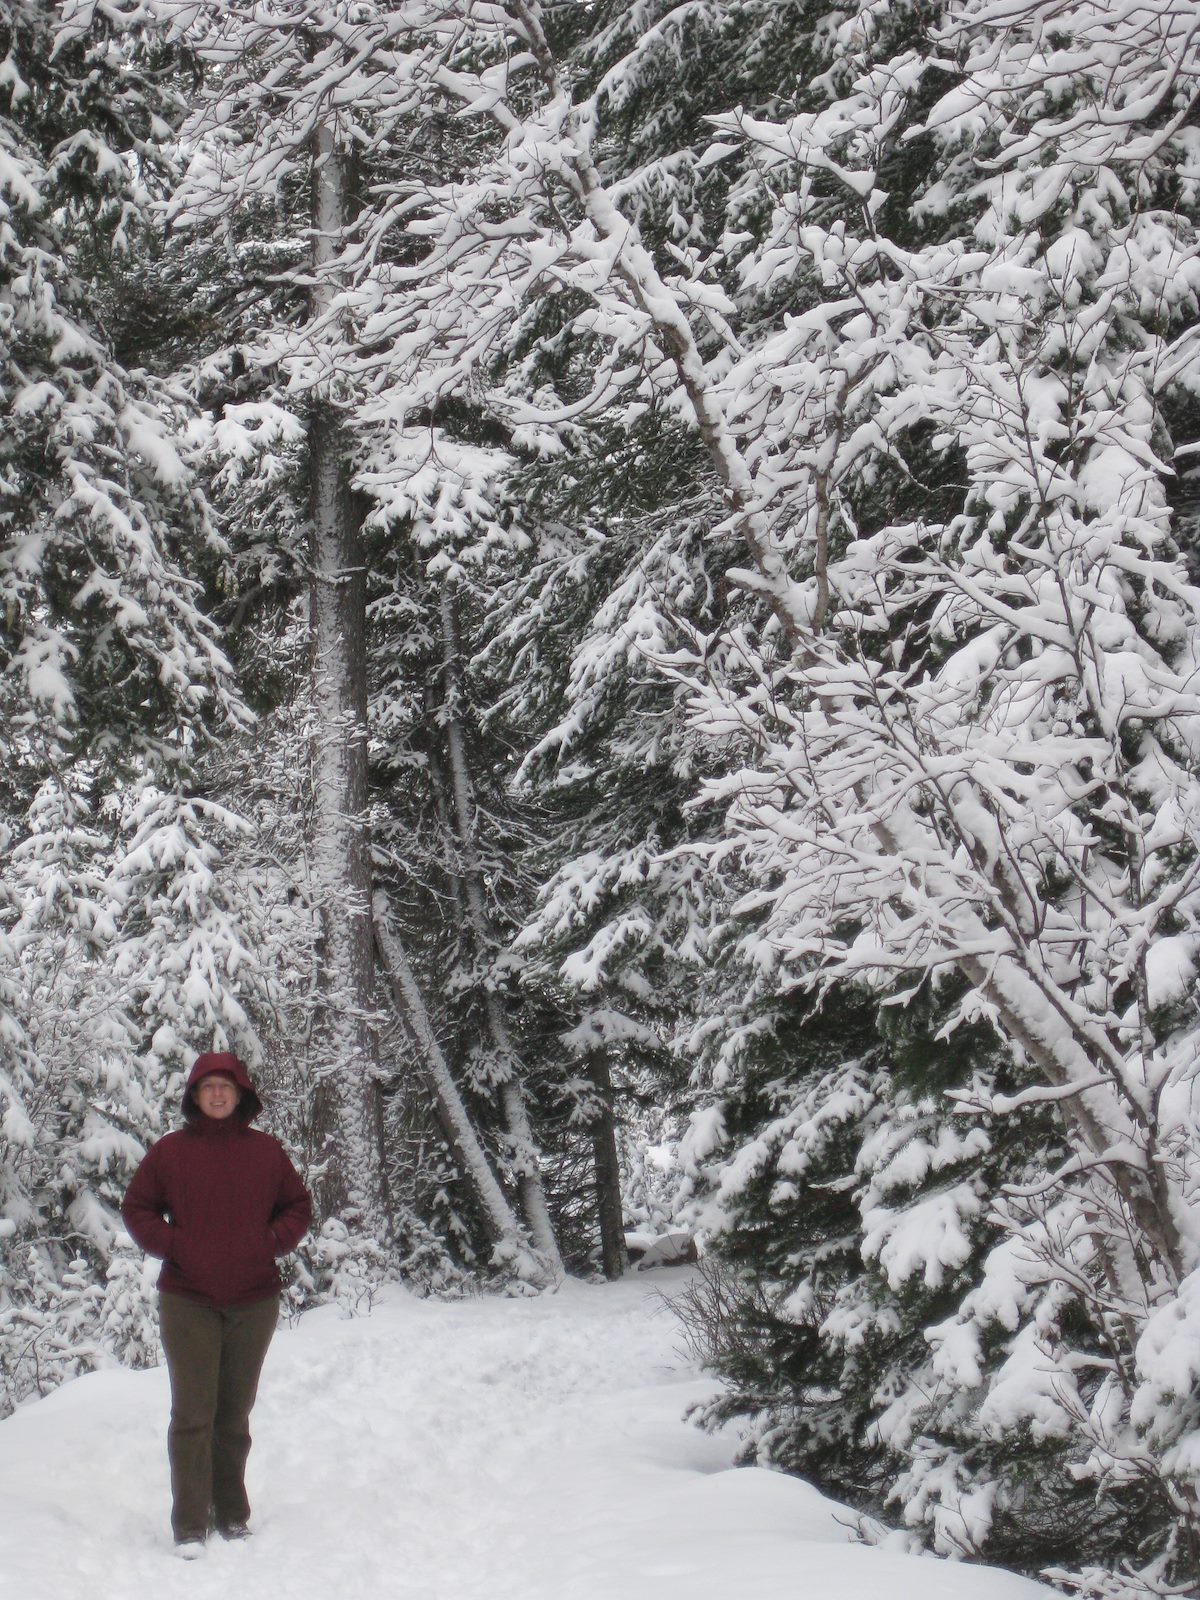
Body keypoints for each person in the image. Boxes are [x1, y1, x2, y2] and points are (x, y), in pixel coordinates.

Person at [122, 1050, 312, 1557]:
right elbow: (137, 1207)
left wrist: (270, 1241)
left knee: (234, 1414)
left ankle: (231, 1512)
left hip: (254, 1301)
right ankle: (189, 1524)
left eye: (226, 1086)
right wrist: (173, 1246)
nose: (218, 1094)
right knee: (192, 1416)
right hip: (188, 1299)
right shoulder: (170, 1153)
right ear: (195, 1096)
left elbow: (298, 1205)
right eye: (208, 1087)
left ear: (242, 1094)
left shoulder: (266, 1153)